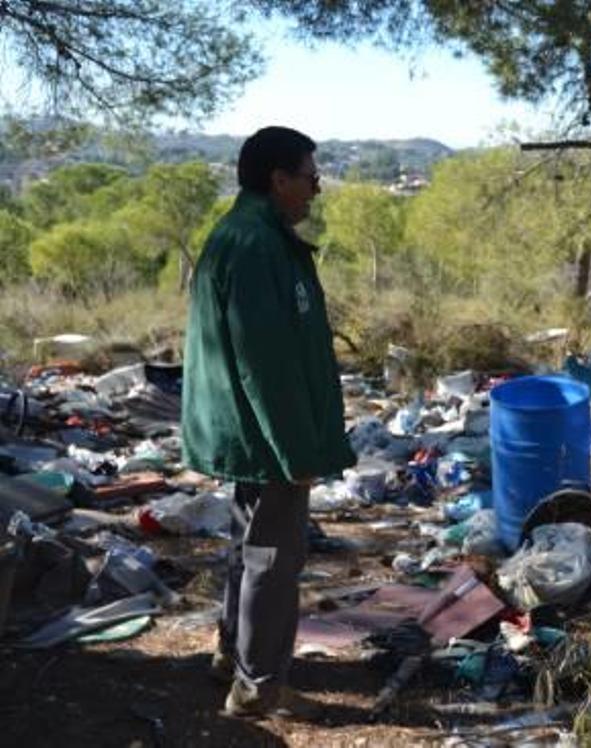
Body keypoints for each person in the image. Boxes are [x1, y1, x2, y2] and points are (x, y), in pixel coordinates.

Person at [181, 126, 356, 719]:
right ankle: (258, 689)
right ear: (278, 179)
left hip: (249, 432)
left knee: (247, 549)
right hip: (266, 436)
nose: (317, 187)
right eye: (310, 175)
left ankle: (233, 658)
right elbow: (265, 365)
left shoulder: (251, 235)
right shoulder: (255, 246)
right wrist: (297, 451)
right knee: (273, 561)